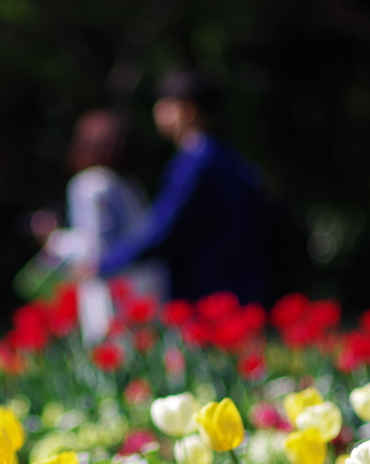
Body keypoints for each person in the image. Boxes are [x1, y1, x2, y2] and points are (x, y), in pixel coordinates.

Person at [94, 70, 269, 303]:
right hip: (243, 282)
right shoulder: (227, 157)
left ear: (187, 110)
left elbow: (161, 229)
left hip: (211, 288)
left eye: (164, 105)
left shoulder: (196, 161)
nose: (157, 112)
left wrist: (103, 265)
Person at [41, 109, 168, 341]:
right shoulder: (130, 185)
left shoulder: (90, 184)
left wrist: (54, 241)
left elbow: (95, 246)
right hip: (147, 284)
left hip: (111, 290)